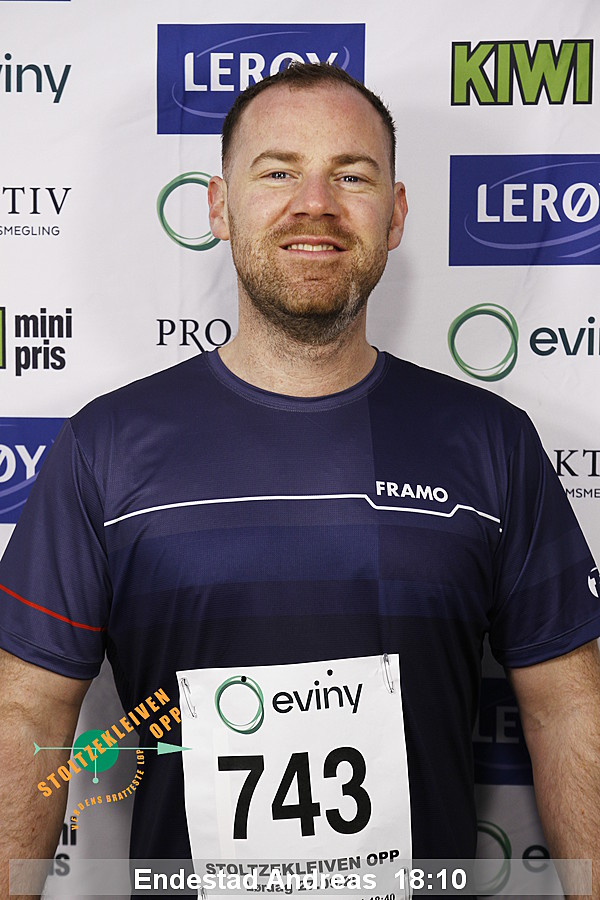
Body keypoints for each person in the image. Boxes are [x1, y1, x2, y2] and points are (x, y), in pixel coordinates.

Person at [1, 62, 600, 896]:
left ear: (395, 215)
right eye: (278, 172)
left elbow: (569, 706)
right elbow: (27, 712)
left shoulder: (491, 441)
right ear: (219, 207)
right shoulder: (107, 445)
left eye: (351, 176)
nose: (314, 204)